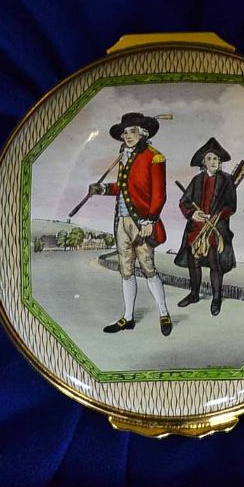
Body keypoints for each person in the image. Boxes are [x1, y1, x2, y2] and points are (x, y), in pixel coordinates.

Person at [88, 112, 172, 336]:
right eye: (125, 132)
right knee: (126, 271)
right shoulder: (125, 157)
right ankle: (128, 317)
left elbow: (159, 194)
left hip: (142, 223)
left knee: (148, 268)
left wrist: (151, 220)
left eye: (132, 131)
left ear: (143, 133)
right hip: (121, 222)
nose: (127, 136)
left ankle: (164, 313)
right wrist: (103, 189)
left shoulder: (155, 157)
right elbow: (122, 188)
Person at [174, 137, 236, 316]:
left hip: (216, 230)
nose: (213, 162)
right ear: (204, 162)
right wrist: (192, 214)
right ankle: (194, 294)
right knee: (193, 262)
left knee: (215, 263)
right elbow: (184, 202)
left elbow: (231, 206)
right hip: (196, 229)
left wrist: (216, 216)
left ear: (220, 161)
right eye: (209, 158)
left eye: (216, 159)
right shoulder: (197, 180)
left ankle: (216, 298)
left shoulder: (227, 181)